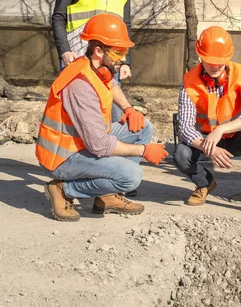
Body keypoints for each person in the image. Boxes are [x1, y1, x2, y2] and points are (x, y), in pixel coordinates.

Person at [36, 14, 168, 222]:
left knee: (143, 128)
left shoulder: (96, 68)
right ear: (98, 51)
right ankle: (63, 189)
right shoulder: (80, 85)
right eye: (118, 51)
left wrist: (128, 109)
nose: (123, 58)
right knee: (131, 176)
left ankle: (106, 195)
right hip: (63, 157)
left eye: (124, 51)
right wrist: (143, 151)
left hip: (83, 142)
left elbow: (112, 85)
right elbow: (98, 145)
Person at [173, 26, 241, 217]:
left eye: (219, 62)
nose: (215, 66)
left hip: (235, 138)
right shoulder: (189, 82)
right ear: (200, 55)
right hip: (205, 140)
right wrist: (210, 147)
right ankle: (205, 183)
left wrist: (221, 130)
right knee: (180, 154)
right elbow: (184, 128)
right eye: (210, 61)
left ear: (227, 57)